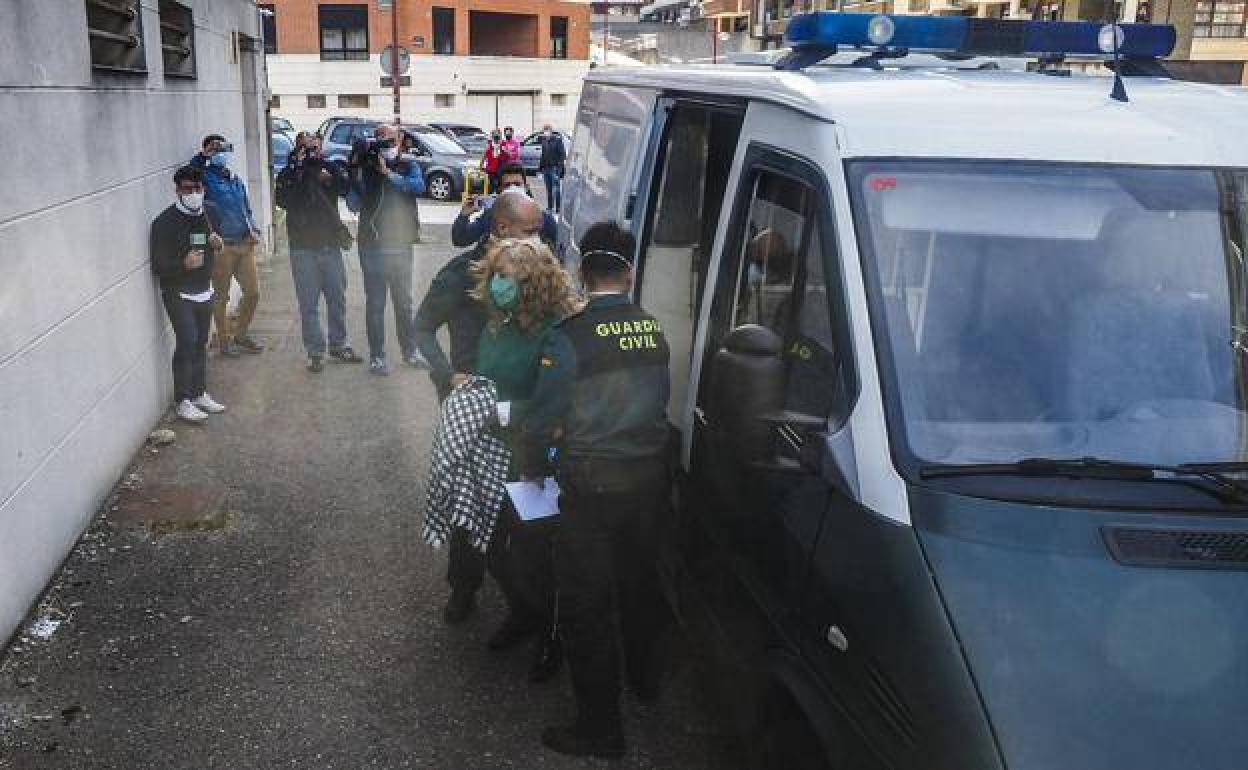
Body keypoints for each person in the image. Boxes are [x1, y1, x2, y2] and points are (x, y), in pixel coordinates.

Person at [519, 222, 673, 759]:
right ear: (630, 271)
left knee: (585, 607)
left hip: (591, 488)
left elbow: (542, 421)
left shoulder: (569, 337)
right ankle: (647, 682)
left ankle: (602, 729)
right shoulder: (653, 329)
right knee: (639, 585)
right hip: (649, 483)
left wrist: (534, 462)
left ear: (582, 271)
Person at [412, 191, 545, 624]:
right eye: (530, 230)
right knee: (468, 499)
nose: (537, 240)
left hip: (517, 403)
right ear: (503, 228)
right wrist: (447, 375)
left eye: (539, 232)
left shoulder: (535, 268)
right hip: (470, 406)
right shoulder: (459, 274)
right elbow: (422, 328)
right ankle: (464, 588)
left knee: (514, 500)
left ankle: (523, 594)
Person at [467, 236, 580, 682]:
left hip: (535, 460)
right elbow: (485, 373)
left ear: (533, 285)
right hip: (493, 452)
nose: (498, 286)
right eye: (496, 276)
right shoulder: (497, 322)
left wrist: (502, 410)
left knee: (535, 557)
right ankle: (523, 613)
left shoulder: (558, 332)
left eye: (509, 280)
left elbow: (558, 406)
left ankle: (552, 636)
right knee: (493, 549)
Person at [275, 132, 362, 372]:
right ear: (298, 147)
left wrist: (330, 178)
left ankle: (339, 344)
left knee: (337, 299)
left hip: (330, 246)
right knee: (308, 304)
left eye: (315, 144)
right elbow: (282, 200)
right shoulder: (290, 172)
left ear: (321, 146)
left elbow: (346, 189)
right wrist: (298, 170)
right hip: (302, 248)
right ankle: (315, 352)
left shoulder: (329, 167)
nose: (311, 149)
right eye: (305, 145)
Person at [149, 165, 228, 423]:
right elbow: (158, 266)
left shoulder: (211, 212)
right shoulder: (164, 223)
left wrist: (220, 244)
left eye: (198, 189)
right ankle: (182, 400)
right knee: (187, 341)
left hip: (204, 289)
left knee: (201, 342)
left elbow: (218, 240)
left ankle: (198, 393)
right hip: (177, 291)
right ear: (177, 191)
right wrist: (183, 264)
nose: (194, 194)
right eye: (187, 189)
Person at [352, 123, 426, 375]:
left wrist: (389, 175)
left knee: (403, 302)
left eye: (390, 139)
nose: (386, 144)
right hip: (371, 246)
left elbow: (418, 187)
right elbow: (353, 205)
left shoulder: (408, 165)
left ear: (400, 140)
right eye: (380, 139)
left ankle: (410, 351)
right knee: (375, 304)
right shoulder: (367, 169)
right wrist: (357, 174)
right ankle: (377, 356)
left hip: (401, 245)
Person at [192, 134, 264, 358]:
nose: (221, 153)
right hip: (223, 247)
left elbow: (246, 208)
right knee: (221, 297)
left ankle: (241, 334)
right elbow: (190, 173)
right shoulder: (204, 178)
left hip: (244, 243)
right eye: (216, 149)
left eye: (223, 149)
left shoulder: (234, 178)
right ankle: (224, 342)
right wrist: (203, 156)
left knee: (253, 293)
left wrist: (253, 228)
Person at [452, 164, 557, 249]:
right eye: (507, 185)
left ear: (526, 188)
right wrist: (464, 215)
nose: (513, 189)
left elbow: (557, 251)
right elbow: (460, 240)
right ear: (500, 191)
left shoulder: (543, 218)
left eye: (517, 184)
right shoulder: (491, 216)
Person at [537, 125, 566, 213]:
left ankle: (558, 208)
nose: (546, 132)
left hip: (554, 168)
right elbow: (543, 155)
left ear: (551, 131)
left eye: (547, 130)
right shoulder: (544, 141)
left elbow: (563, 155)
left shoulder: (557, 140)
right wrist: (540, 169)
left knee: (556, 189)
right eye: (544, 131)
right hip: (546, 168)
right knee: (548, 189)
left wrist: (558, 167)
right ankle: (550, 207)